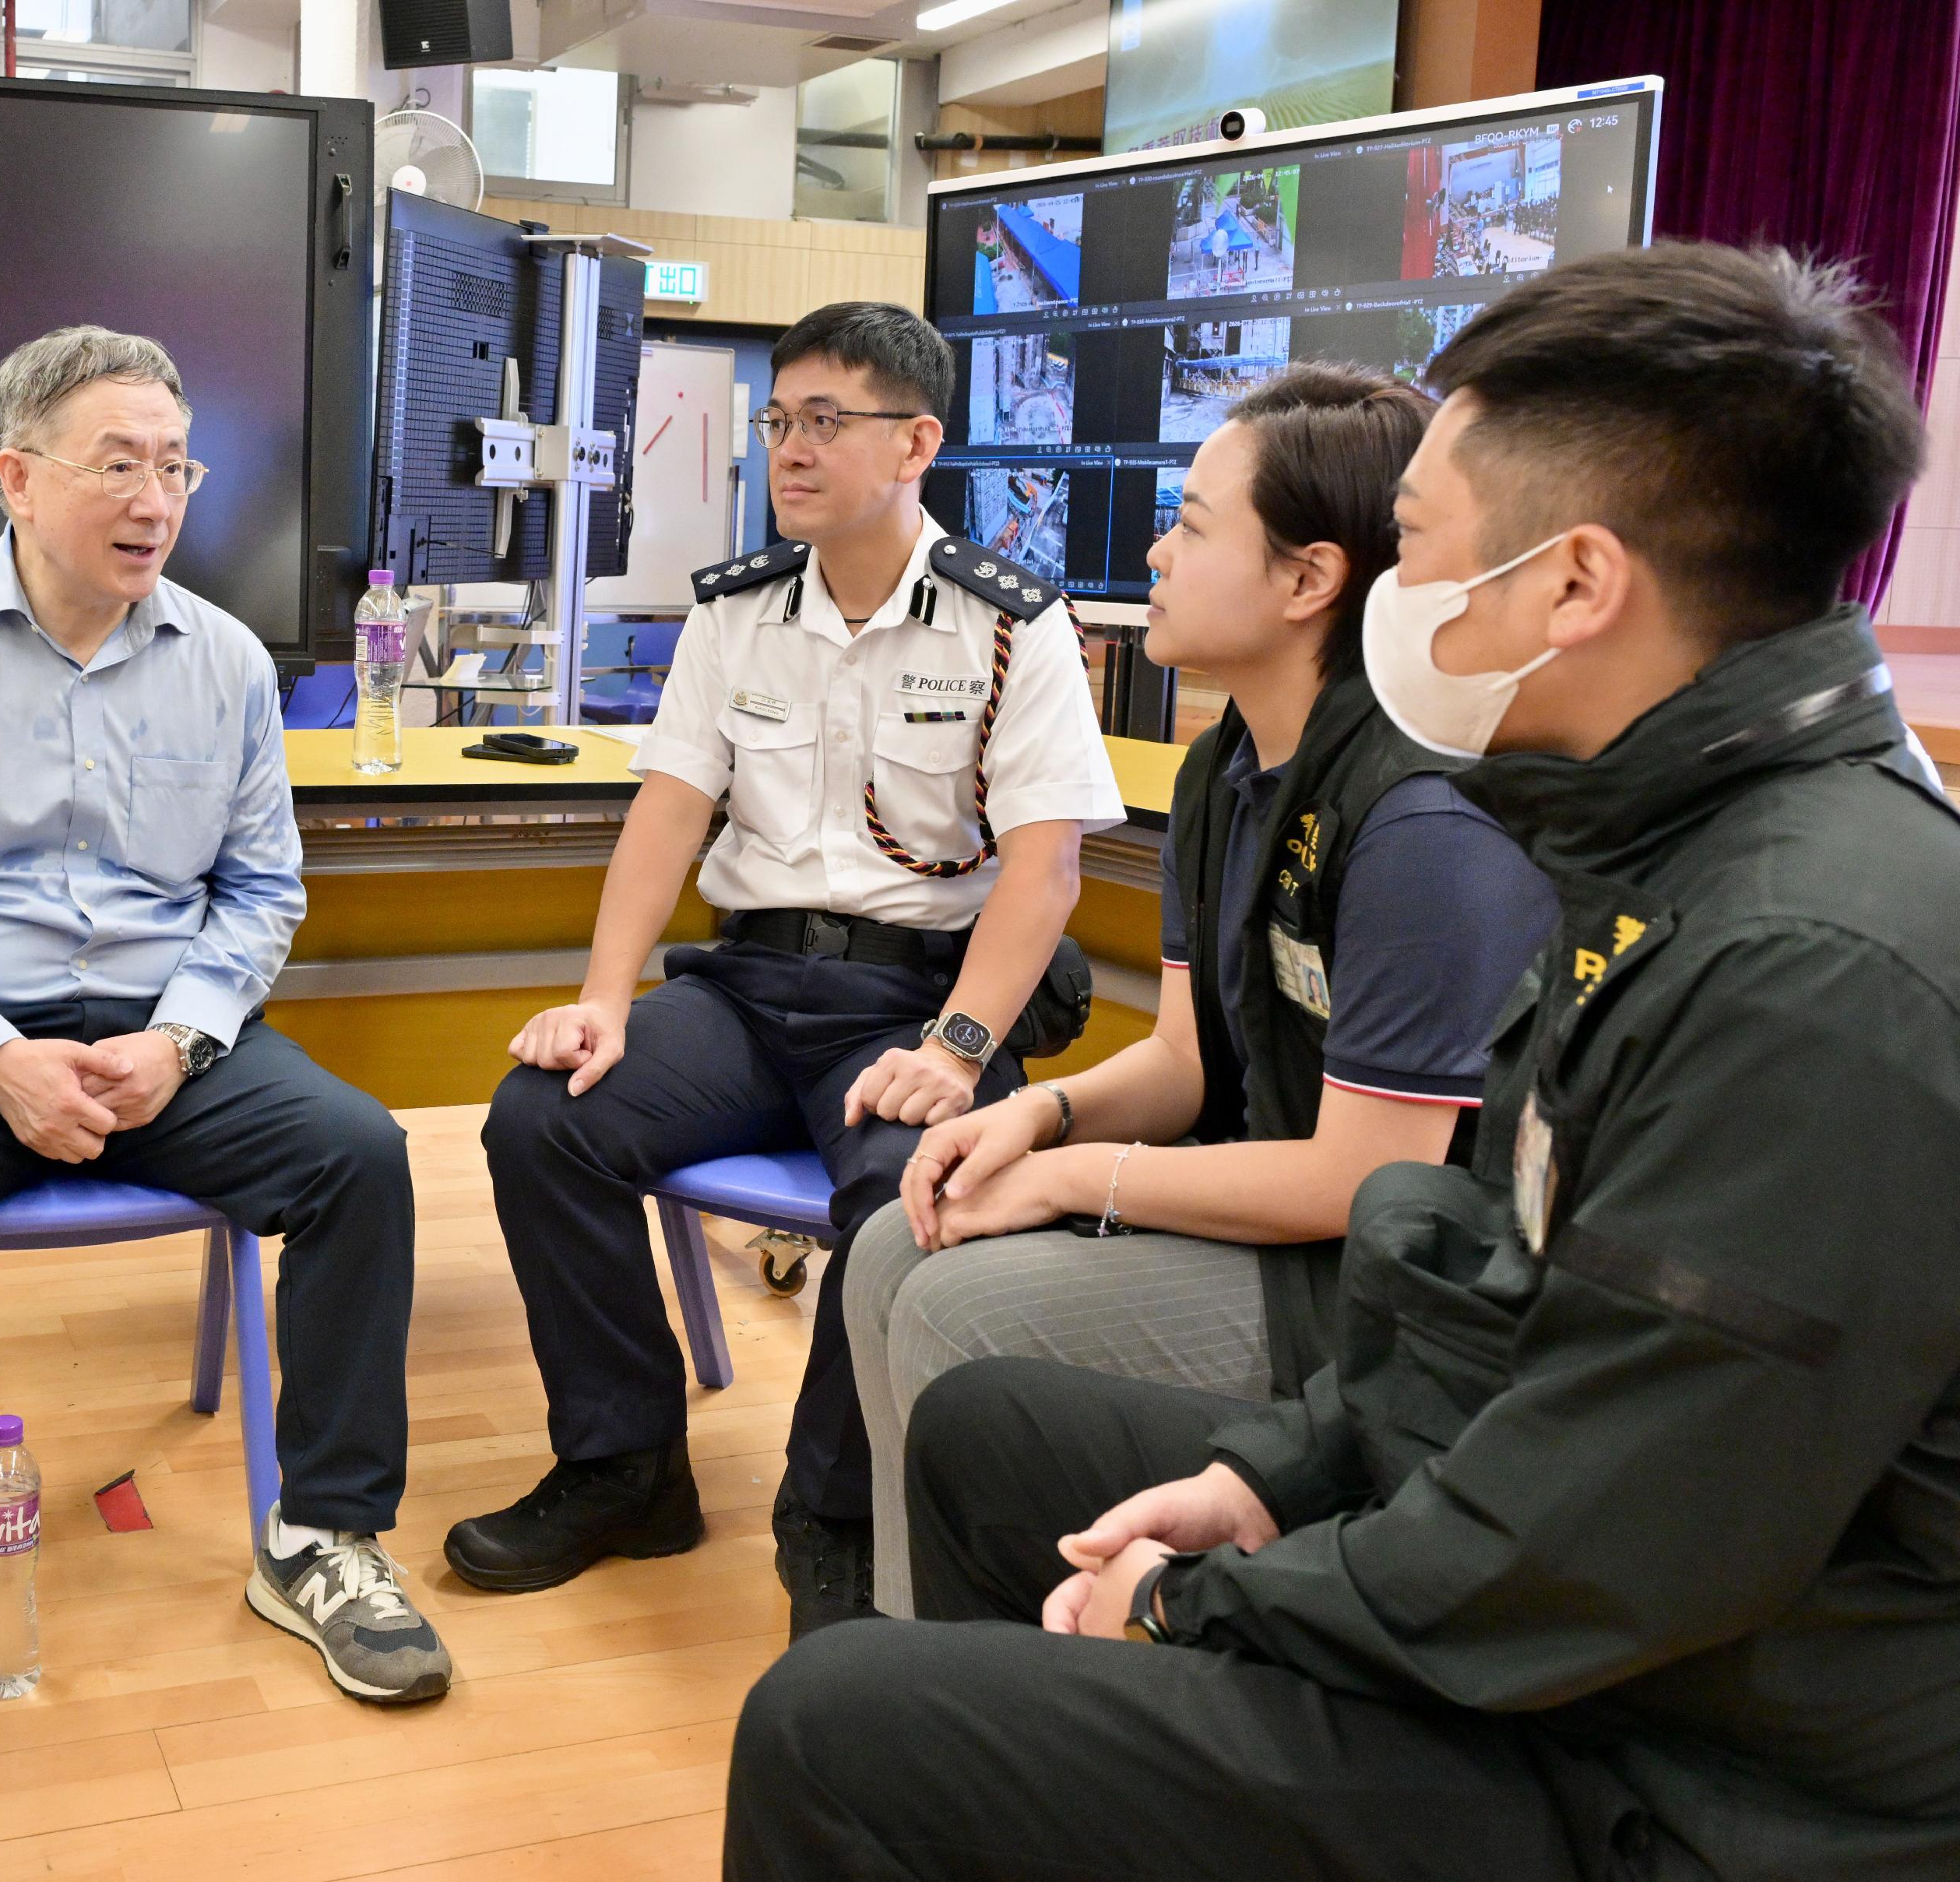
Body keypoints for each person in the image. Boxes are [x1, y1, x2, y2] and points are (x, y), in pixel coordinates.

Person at [726, 244, 1960, 1882]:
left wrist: (1195, 1601)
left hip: (1689, 1762)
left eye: (1423, 548)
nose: (1399, 594)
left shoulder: (1806, 971)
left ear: (1575, 584)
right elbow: (1504, 1314)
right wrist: (1269, 1474)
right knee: (984, 1438)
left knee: (835, 1724)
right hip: (1567, 1601)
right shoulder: (1650, 854)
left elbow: (1593, 1545)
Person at [0, 324, 449, 1764]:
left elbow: (261, 892)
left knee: (360, 1156)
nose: (156, 502)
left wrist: (181, 1040)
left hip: (164, 1032)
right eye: (119, 466)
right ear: (17, 478)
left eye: (177, 468)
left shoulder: (225, 660)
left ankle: (323, 1537)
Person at [442, 302, 1124, 1636]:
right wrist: (601, 999)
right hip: (748, 993)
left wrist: (959, 1052)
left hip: (919, 1005)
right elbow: (667, 814)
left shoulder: (1010, 627)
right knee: (543, 1119)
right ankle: (624, 1467)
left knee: (910, 1191)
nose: (789, 449)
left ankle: (836, 1516)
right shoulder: (740, 611)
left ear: (917, 443)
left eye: (825, 420)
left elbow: (1043, 873)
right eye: (778, 420)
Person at [842, 365, 1555, 1616]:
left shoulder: (1421, 820)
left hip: (1378, 1286)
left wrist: (1073, 1178)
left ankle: (1022, 1666)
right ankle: (920, 1644)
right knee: (893, 1246)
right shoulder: (1220, 769)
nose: (1156, 552)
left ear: (1307, 579)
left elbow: (1362, 1178)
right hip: (1267, 1209)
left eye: (1192, 525)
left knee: (958, 1312)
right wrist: (1037, 1115)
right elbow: (1186, 1061)